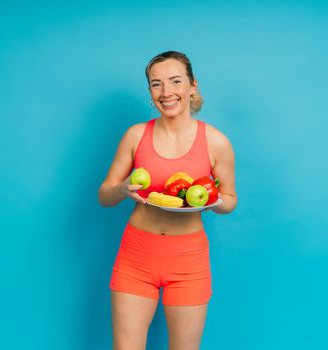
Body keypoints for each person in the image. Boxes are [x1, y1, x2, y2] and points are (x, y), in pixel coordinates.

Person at [98, 50, 237, 350]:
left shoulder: (216, 142)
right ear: (150, 91)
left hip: (188, 261)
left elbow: (230, 199)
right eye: (156, 84)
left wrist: (214, 202)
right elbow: (104, 196)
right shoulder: (135, 136)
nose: (166, 92)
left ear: (192, 85)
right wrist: (123, 189)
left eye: (175, 81)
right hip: (136, 255)